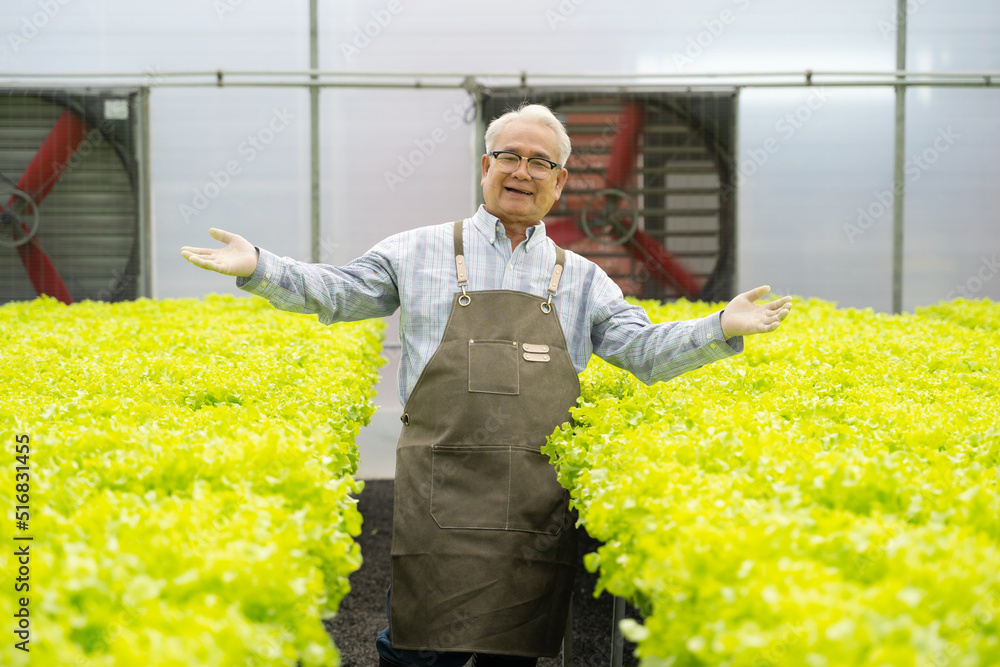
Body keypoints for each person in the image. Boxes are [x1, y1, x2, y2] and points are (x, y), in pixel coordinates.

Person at [181, 103, 792, 667]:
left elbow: (642, 351)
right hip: (438, 497)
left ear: (559, 180)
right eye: (510, 157)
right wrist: (261, 267)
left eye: (540, 162)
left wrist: (719, 326)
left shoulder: (582, 279)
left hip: (532, 504)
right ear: (485, 167)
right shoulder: (416, 251)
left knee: (514, 650)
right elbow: (340, 293)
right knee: (418, 646)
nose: (522, 172)